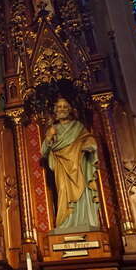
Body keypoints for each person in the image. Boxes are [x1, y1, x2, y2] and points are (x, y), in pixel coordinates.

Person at [41, 98, 100, 233]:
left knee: (82, 193)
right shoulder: (53, 129)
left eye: (65, 107)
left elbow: (88, 139)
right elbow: (44, 152)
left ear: (70, 110)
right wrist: (49, 138)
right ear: (55, 111)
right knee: (62, 191)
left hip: (78, 166)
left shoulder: (78, 127)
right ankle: (65, 223)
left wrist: (89, 144)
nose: (62, 109)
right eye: (59, 107)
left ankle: (83, 221)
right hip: (61, 166)